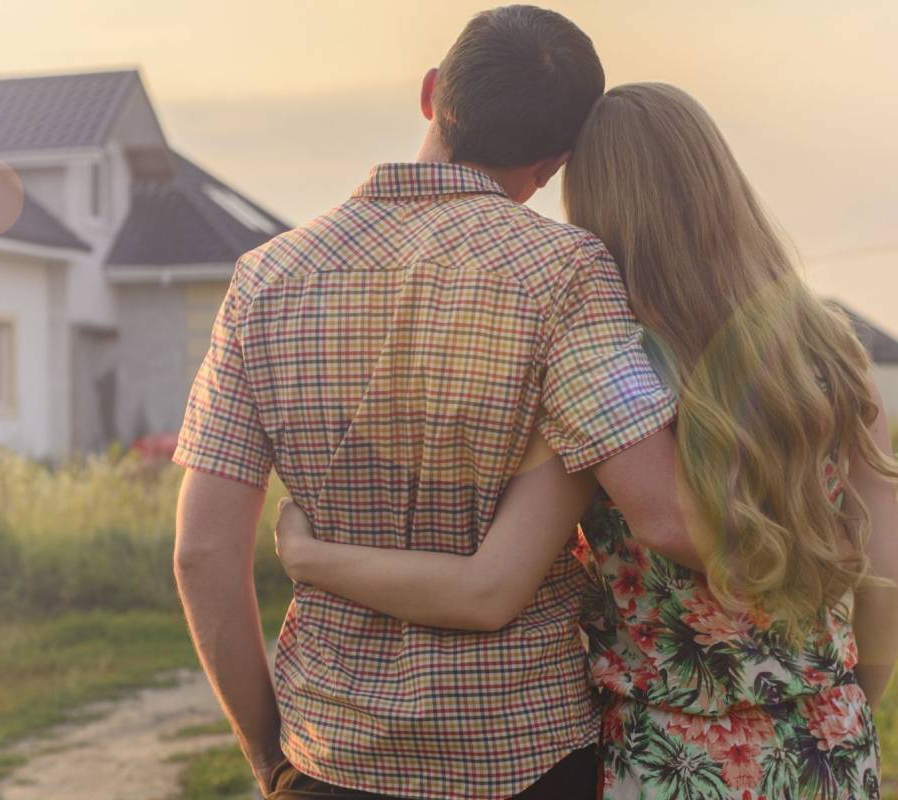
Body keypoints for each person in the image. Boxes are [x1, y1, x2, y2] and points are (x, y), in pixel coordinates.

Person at [272, 82, 898, 800]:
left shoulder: (605, 375)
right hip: (831, 741)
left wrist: (311, 555)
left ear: (595, 203)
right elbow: (887, 579)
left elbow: (486, 586)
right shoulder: (832, 356)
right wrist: (839, 707)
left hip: (669, 758)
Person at [174, 6, 703, 799]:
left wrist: (269, 759)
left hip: (332, 753)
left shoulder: (266, 280)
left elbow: (202, 552)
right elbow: (663, 514)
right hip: (525, 753)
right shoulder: (566, 272)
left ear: (431, 94)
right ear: (556, 163)